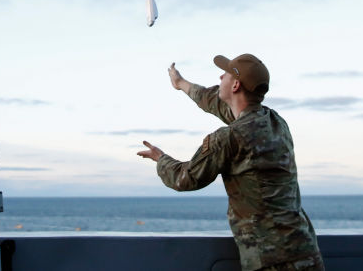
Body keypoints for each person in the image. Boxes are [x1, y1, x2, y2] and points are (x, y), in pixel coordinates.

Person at [137, 54, 324, 271]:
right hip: (306, 251)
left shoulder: (228, 138)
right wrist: (180, 83)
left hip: (270, 261)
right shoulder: (276, 123)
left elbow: (185, 178)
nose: (220, 76)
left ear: (235, 85)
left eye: (224, 74)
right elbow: (214, 102)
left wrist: (161, 159)